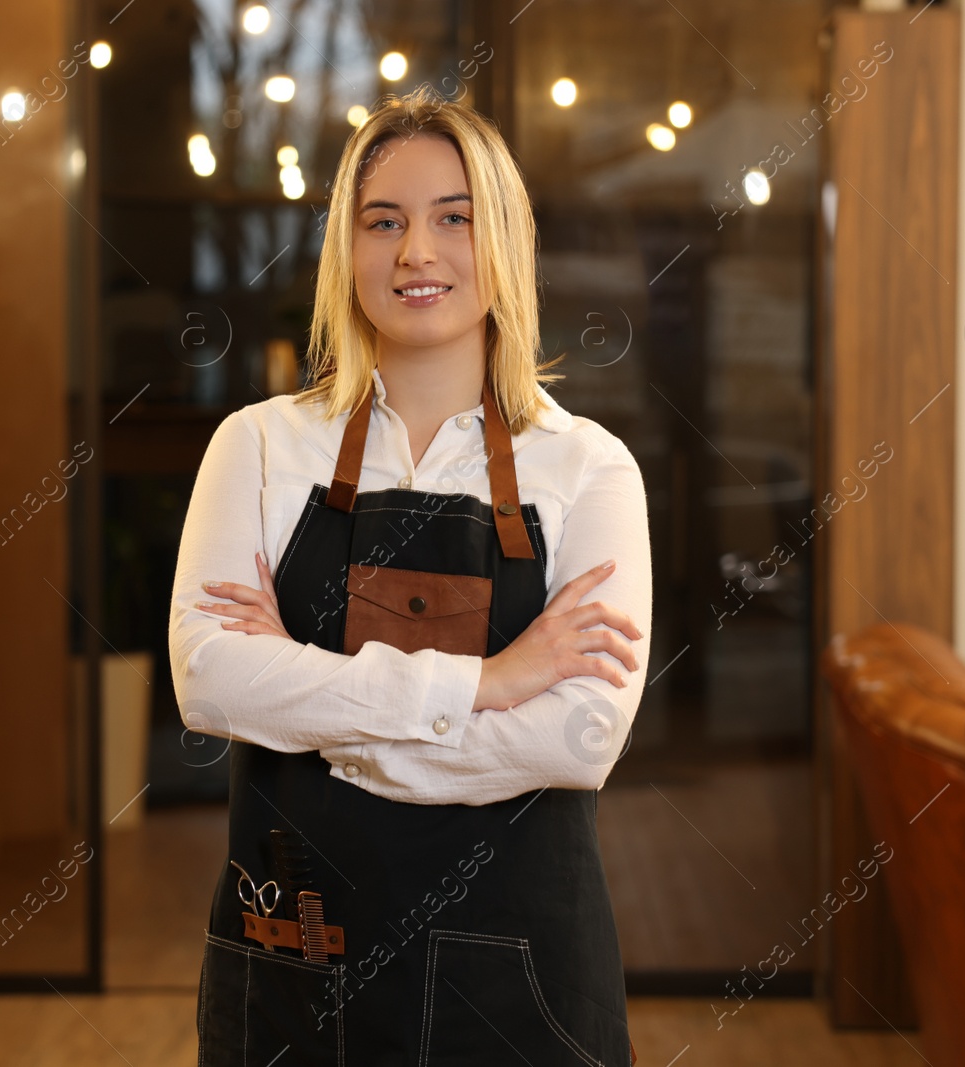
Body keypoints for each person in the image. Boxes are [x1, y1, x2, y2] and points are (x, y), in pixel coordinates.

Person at [169, 86, 652, 1065]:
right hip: (299, 965)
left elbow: (578, 735)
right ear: (344, 250)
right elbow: (207, 678)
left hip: (519, 979)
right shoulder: (256, 445)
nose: (415, 254)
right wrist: (483, 684)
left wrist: (324, 734)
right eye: (381, 221)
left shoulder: (588, 466)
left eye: (452, 219)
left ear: (502, 243)